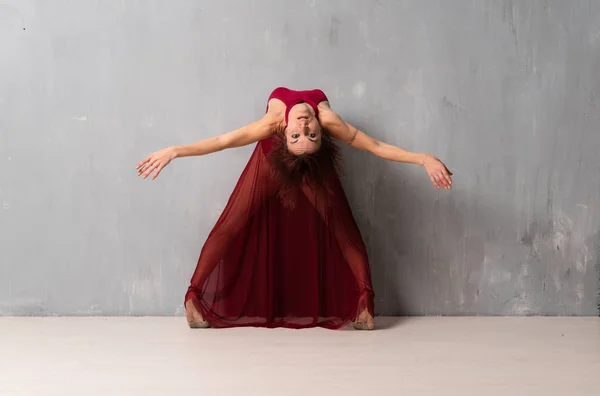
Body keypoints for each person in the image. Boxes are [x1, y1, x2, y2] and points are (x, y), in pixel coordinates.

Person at [136, 87, 452, 330]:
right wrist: (175, 150)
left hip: (303, 164)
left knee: (342, 229)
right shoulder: (323, 121)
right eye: (306, 133)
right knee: (237, 222)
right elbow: (223, 141)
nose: (303, 124)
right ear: (285, 134)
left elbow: (377, 148)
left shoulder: (280, 122)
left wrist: (423, 158)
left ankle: (364, 301)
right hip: (282, 161)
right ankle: (194, 295)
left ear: (283, 134)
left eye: (305, 134)